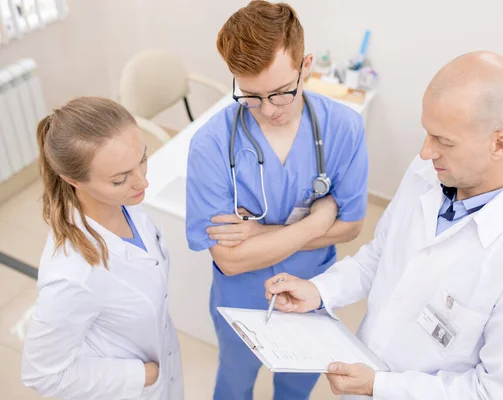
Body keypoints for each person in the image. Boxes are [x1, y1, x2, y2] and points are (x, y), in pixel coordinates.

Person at [264, 51, 503, 399]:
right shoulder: (429, 172)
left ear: (500, 144)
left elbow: (493, 393)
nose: (426, 152)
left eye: (444, 141)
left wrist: (380, 386)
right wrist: (322, 291)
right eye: (428, 133)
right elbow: (380, 255)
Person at [185, 1, 369, 398]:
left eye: (281, 93)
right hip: (240, 298)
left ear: (306, 66)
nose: (268, 110)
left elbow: (352, 227)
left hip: (312, 288)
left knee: (296, 385)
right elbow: (230, 259)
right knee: (234, 382)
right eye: (251, 96)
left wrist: (257, 234)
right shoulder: (212, 144)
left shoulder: (344, 129)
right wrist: (317, 223)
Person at [21, 97, 183, 399]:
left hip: (164, 367)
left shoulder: (128, 205)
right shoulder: (71, 275)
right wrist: (140, 376)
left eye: (143, 160)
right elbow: (42, 375)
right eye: (120, 179)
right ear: (73, 180)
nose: (142, 181)